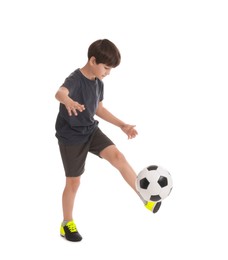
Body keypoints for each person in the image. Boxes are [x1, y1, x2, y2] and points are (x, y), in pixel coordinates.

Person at [55, 39, 161, 242]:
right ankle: (66, 223)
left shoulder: (98, 82)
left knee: (118, 157)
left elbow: (98, 109)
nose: (108, 72)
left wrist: (122, 125)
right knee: (73, 182)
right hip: (71, 136)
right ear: (93, 60)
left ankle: (143, 196)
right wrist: (67, 100)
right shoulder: (75, 79)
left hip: (90, 130)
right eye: (106, 67)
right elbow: (59, 93)